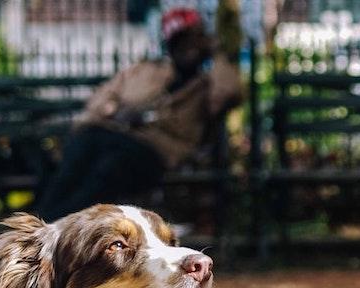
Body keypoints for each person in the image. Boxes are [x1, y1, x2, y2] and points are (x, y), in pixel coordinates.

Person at [37, 8, 242, 221]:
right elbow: (101, 99)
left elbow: (230, 93)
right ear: (170, 44)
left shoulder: (208, 85)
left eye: (193, 39)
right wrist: (114, 112)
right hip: (111, 132)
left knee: (110, 169)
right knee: (78, 154)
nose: (188, 47)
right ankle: (47, 222)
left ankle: (57, 224)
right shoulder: (145, 71)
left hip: (155, 149)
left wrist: (218, 54)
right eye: (181, 41)